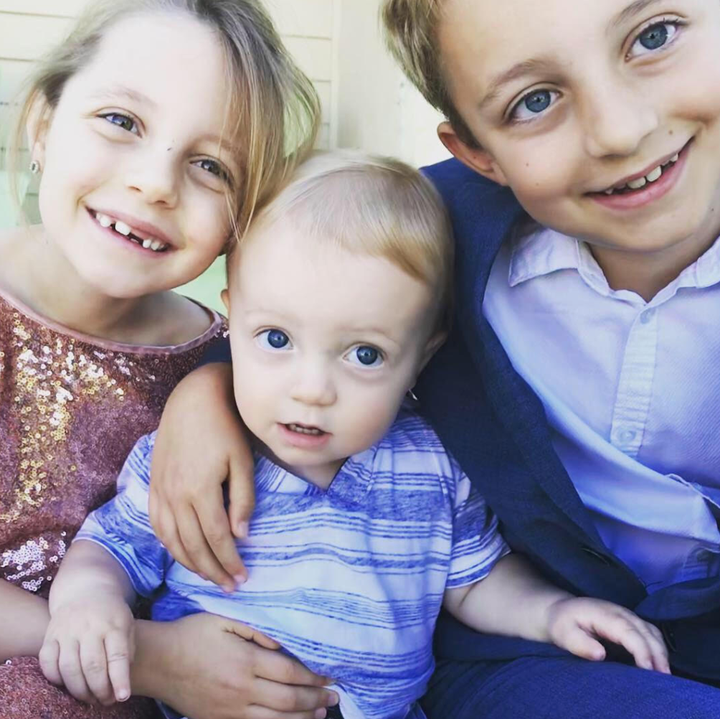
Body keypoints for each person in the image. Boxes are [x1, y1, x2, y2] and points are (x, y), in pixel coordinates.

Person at [148, 0, 720, 717]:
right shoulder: (424, 235)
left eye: (654, 37)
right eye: (533, 101)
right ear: (477, 153)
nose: (621, 130)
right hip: (534, 659)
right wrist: (207, 391)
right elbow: (301, 307)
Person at [41, 152, 668, 719]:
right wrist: (88, 601)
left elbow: (474, 582)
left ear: (422, 358)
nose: (312, 388)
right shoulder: (199, 464)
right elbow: (111, 549)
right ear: (230, 322)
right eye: (277, 340)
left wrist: (552, 613)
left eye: (364, 355)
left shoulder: (432, 465)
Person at [0, 1, 337, 718]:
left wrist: (209, 386)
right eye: (121, 121)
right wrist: (155, 657)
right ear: (41, 123)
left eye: (211, 165)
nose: (156, 183)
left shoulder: (230, 362)